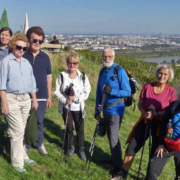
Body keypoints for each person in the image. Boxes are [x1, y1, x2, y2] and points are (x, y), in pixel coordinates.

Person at [120, 64, 176, 179]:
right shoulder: (147, 87)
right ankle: (123, 173)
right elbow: (140, 104)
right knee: (132, 147)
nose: (162, 76)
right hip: (145, 121)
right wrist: (146, 113)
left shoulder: (171, 91)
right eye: (160, 73)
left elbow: (171, 112)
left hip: (160, 126)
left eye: (165, 74)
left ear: (169, 76)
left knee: (154, 153)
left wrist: (156, 114)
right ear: (157, 73)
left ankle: (149, 177)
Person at [0, 32, 38, 173]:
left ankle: (23, 154)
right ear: (12, 45)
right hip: (11, 98)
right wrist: (4, 103)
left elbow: (32, 83)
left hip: (25, 99)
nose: (21, 50)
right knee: (17, 131)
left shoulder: (27, 63)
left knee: (22, 129)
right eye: (18, 47)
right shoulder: (5, 62)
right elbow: (1, 85)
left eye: (24, 48)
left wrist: (34, 99)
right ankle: (17, 163)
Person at [94, 48, 131, 179]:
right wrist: (97, 110)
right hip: (105, 109)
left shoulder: (119, 71)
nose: (107, 59)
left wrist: (112, 91)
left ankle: (118, 169)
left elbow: (127, 92)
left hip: (116, 110)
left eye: (109, 56)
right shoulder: (103, 71)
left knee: (114, 138)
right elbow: (99, 93)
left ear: (114, 57)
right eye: (105, 57)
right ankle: (115, 160)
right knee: (109, 136)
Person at [54, 51, 91, 160]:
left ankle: (81, 148)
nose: (72, 65)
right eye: (70, 63)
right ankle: (70, 146)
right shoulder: (62, 76)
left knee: (80, 129)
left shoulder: (83, 77)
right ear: (67, 63)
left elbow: (87, 92)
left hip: (79, 108)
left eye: (75, 63)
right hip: (67, 108)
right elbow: (56, 92)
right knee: (69, 127)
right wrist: (65, 100)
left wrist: (76, 98)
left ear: (78, 64)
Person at [23, 26, 52, 156]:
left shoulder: (45, 57)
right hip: (25, 95)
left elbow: (49, 78)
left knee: (39, 121)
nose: (37, 43)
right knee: (26, 121)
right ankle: (27, 144)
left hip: (41, 95)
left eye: (40, 41)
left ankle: (39, 143)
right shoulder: (23, 55)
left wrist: (49, 96)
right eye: (35, 40)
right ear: (29, 40)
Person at [146, 98, 180, 180]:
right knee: (152, 168)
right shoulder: (174, 105)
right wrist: (161, 143)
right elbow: (164, 124)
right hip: (167, 144)